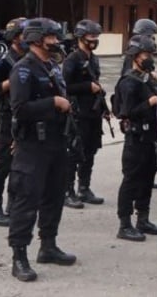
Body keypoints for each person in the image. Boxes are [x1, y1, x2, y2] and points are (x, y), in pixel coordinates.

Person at [8, 18, 76, 282]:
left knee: (54, 197)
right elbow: (20, 109)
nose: (56, 41)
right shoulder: (23, 70)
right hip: (32, 146)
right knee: (26, 200)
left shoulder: (52, 67)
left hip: (56, 143)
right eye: (52, 37)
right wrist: (53, 102)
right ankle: (19, 256)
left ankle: (48, 246)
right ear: (37, 39)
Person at [115, 34, 157, 242]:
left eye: (151, 54)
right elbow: (126, 112)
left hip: (151, 137)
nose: (149, 58)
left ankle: (142, 218)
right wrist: (150, 103)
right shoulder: (129, 81)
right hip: (136, 138)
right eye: (146, 54)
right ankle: (124, 224)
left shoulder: (148, 78)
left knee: (147, 179)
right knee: (131, 181)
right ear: (135, 56)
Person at [0, 17, 27, 227]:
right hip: (7, 118)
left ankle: (14, 205)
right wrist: (11, 82)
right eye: (23, 35)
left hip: (25, 116)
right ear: (14, 37)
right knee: (4, 164)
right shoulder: (2, 61)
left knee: (21, 165)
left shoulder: (29, 60)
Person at [62, 19, 106, 208]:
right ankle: (67, 191)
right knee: (74, 151)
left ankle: (84, 188)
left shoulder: (93, 58)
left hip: (93, 112)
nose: (94, 40)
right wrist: (87, 86)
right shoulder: (72, 59)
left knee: (90, 151)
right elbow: (65, 86)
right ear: (81, 38)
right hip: (78, 112)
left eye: (96, 37)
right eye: (91, 37)